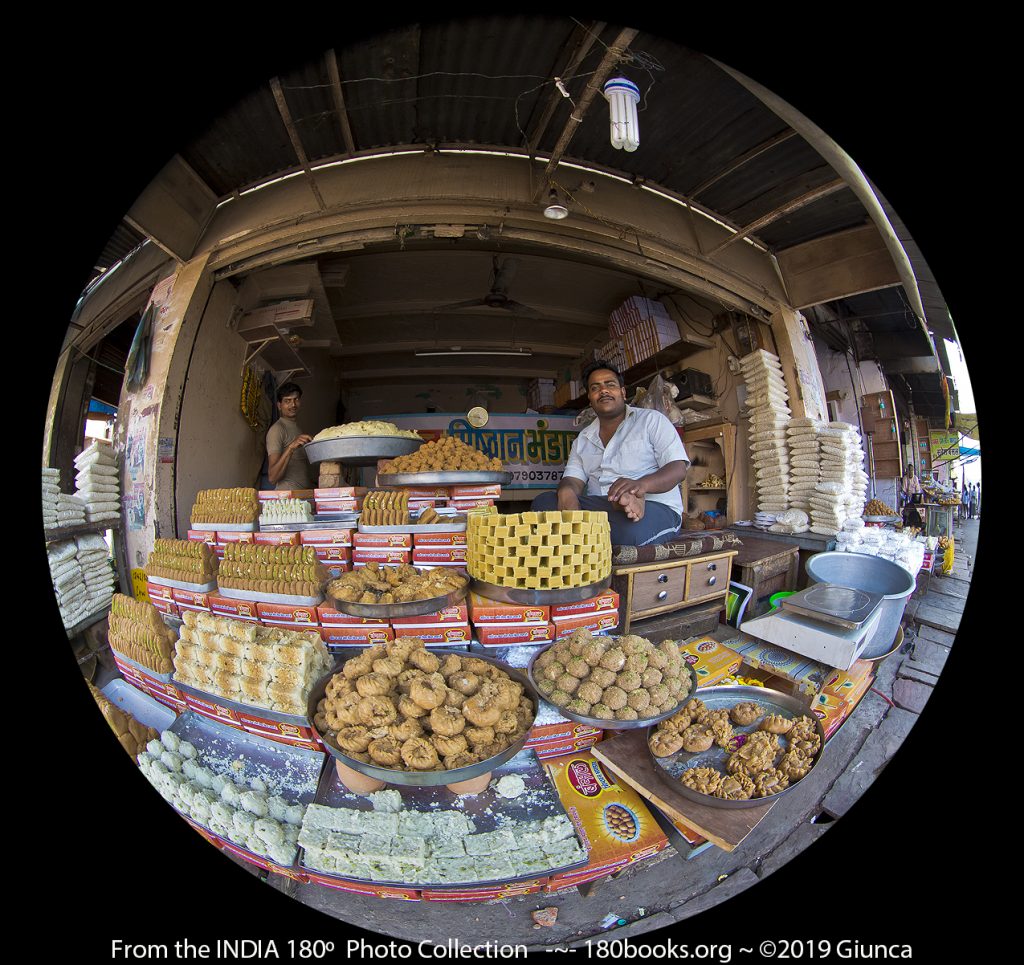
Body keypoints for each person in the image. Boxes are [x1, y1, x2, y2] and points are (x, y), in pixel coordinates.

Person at [531, 360, 689, 546]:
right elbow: (573, 479)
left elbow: (678, 468)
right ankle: (616, 507)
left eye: (610, 384)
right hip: (602, 506)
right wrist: (566, 492)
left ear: (622, 392)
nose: (603, 390)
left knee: (628, 534)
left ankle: (617, 511)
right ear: (590, 397)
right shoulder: (583, 438)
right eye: (595, 387)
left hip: (656, 507)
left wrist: (640, 486)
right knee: (543, 503)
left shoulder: (651, 420)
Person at [266, 382, 314, 490]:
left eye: (296, 399)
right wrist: (291, 448)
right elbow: (272, 477)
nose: (293, 405)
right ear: (279, 405)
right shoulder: (277, 430)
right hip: (287, 501)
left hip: (301, 498)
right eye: (287, 401)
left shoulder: (298, 429)